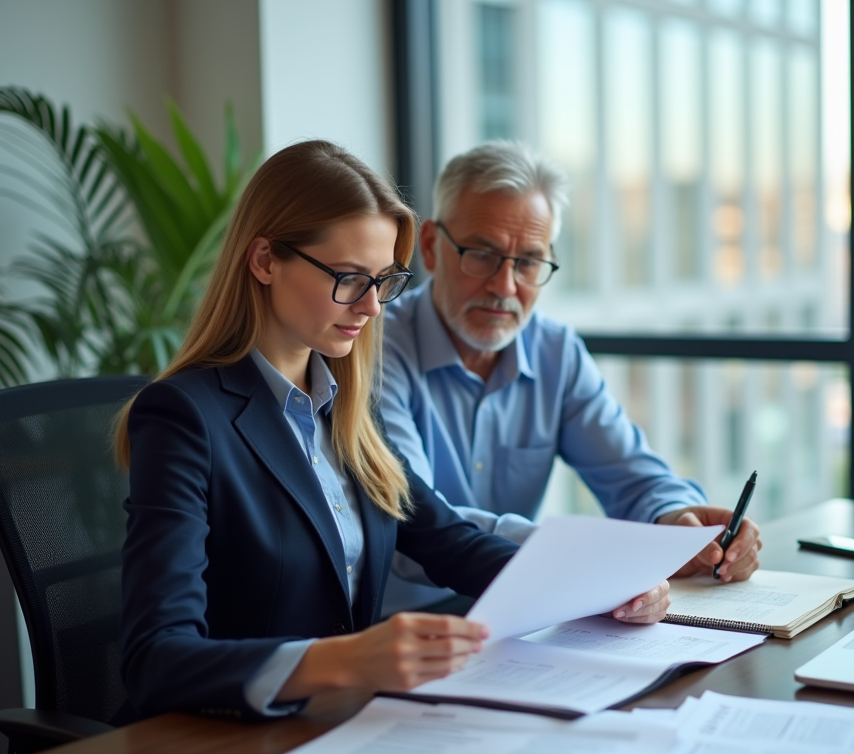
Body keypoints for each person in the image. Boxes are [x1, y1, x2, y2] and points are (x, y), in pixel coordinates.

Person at [113, 140, 670, 723]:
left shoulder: (346, 406)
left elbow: (448, 541)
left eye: (384, 281)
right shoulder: (184, 417)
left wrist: (602, 584)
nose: (373, 307)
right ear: (265, 261)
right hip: (216, 743)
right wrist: (348, 660)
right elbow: (157, 660)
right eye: (350, 278)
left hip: (338, 727)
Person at [381, 140, 762, 613]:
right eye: (481, 255)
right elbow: (416, 524)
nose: (505, 287)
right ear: (433, 247)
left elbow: (633, 474)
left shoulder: (555, 352)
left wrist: (676, 519)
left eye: (528, 263)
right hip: (403, 630)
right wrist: (581, 558)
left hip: (526, 618)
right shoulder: (375, 352)